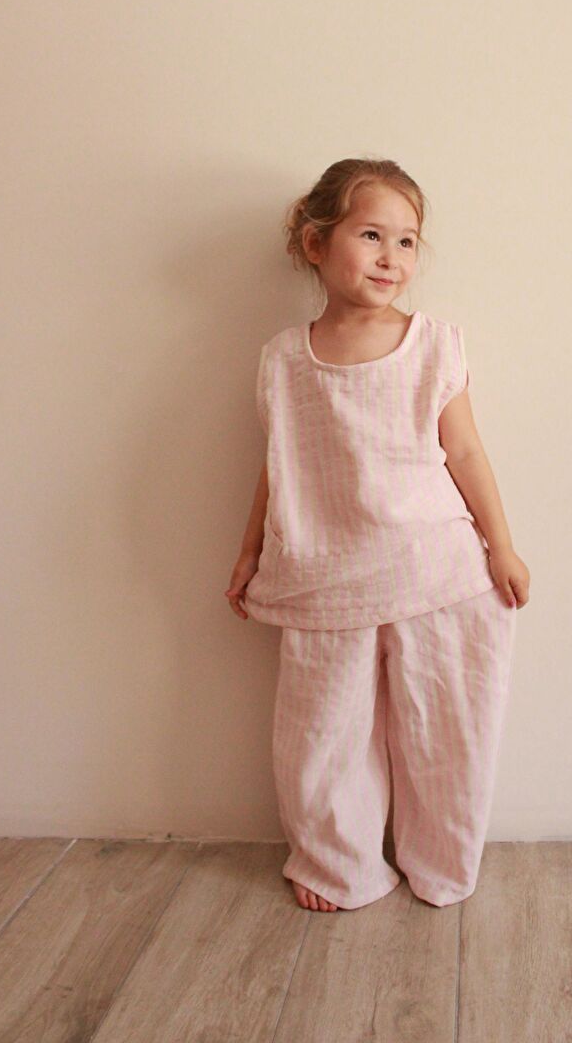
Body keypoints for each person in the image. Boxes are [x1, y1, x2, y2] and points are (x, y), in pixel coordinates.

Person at [226, 157, 530, 912]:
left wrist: (501, 546)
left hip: (437, 573)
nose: (391, 257)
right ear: (316, 243)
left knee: (446, 729)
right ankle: (339, 865)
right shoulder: (282, 358)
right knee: (323, 738)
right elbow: (280, 463)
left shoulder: (433, 345)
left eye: (407, 241)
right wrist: (250, 549)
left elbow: (465, 452)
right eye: (371, 235)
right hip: (325, 577)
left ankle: (442, 862)